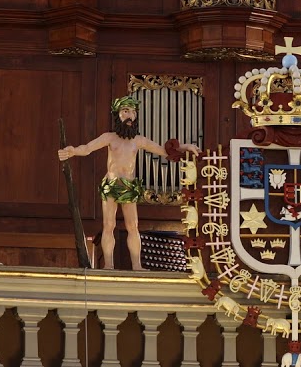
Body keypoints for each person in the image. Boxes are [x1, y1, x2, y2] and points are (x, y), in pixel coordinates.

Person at [57, 96, 199, 270]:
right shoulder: (109, 137)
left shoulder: (138, 140)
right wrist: (72, 151)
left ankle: (137, 265)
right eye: (126, 111)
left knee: (133, 226)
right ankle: (108, 264)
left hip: (129, 186)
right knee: (108, 225)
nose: (130, 115)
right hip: (111, 183)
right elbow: (87, 148)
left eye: (133, 112)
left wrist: (184, 147)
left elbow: (163, 150)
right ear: (118, 115)